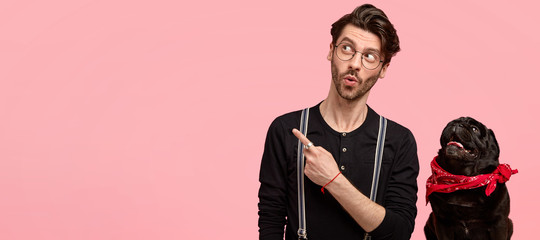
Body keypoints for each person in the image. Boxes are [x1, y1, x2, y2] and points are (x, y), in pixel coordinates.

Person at [257, 4, 419, 240]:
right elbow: (270, 221)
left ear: (383, 69)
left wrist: (333, 179)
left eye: (370, 56)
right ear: (331, 50)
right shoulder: (285, 130)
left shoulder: (399, 140)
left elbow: (399, 232)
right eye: (347, 49)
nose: (355, 63)